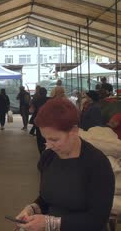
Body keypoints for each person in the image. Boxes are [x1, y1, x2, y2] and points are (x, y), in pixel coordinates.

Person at [15, 98, 114, 231]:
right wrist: (32, 209)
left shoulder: (97, 164)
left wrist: (50, 223)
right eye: (45, 139)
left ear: (74, 131)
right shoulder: (48, 157)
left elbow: (97, 220)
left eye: (54, 139)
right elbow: (47, 199)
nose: (49, 145)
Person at [34, 87, 49, 154]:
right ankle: (47, 150)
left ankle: (41, 152)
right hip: (48, 122)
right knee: (47, 137)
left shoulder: (36, 100)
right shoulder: (50, 100)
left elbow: (32, 110)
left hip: (39, 121)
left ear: (39, 93)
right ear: (46, 93)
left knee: (39, 138)